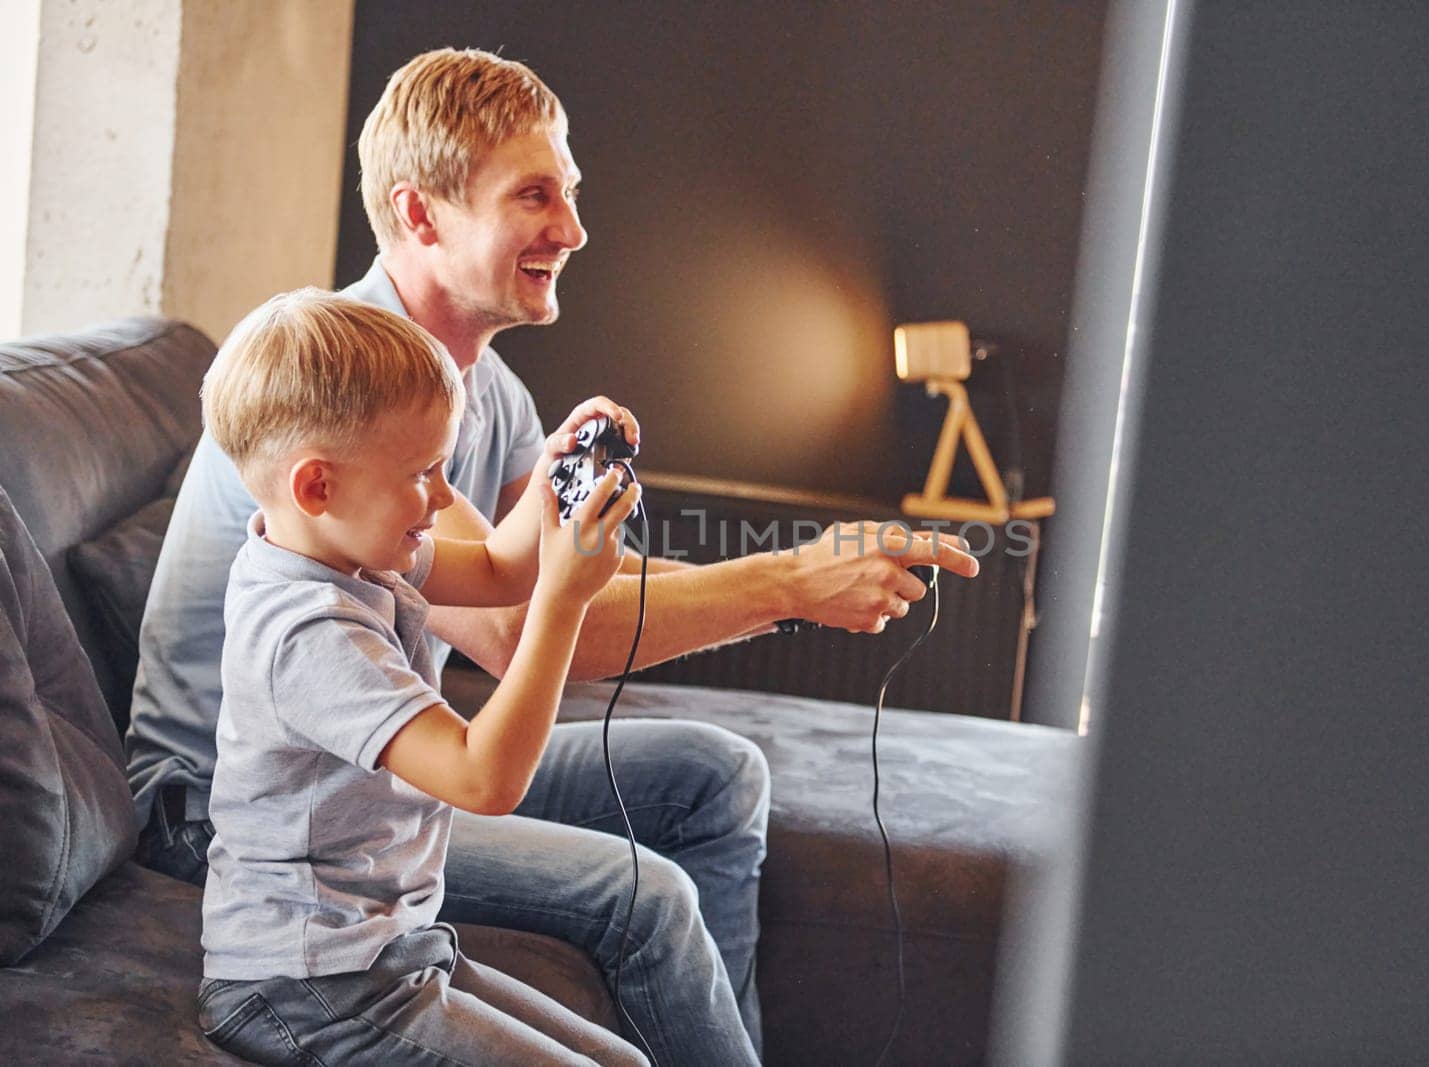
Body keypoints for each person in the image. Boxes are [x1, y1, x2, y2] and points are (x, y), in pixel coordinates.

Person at [125, 47, 979, 1062]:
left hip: (382, 758)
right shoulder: (343, 407)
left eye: (569, 193)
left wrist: (792, 575)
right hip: (235, 810)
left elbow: (529, 564)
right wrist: (792, 582)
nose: (573, 230)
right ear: (422, 214)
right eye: (536, 196)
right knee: (645, 893)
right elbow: (524, 628)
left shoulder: (474, 391)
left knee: (715, 772)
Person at [194, 290, 661, 1064]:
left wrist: (552, 469)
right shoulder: (307, 630)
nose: (446, 497)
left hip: (388, 949)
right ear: (318, 485)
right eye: (425, 472)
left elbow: (499, 569)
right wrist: (566, 599)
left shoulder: (341, 544)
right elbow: (485, 780)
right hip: (305, 985)